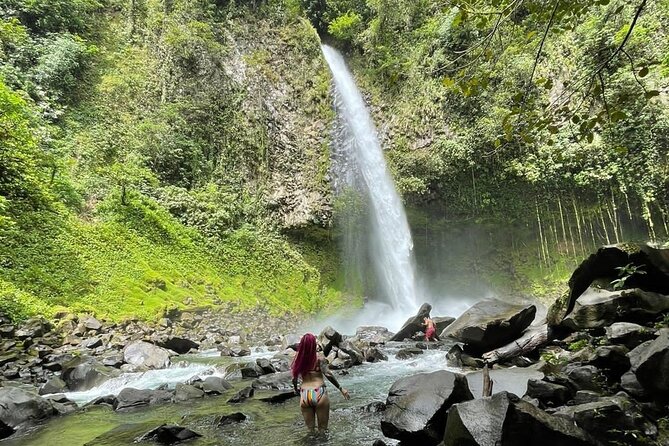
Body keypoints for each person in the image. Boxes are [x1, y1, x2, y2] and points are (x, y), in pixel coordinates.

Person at [291, 333, 350, 433]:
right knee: (322, 430)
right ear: (313, 344)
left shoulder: (298, 359)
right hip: (319, 392)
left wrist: (296, 389)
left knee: (310, 431)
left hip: (305, 394)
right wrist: (341, 388)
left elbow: (294, 378)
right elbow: (328, 374)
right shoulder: (319, 358)